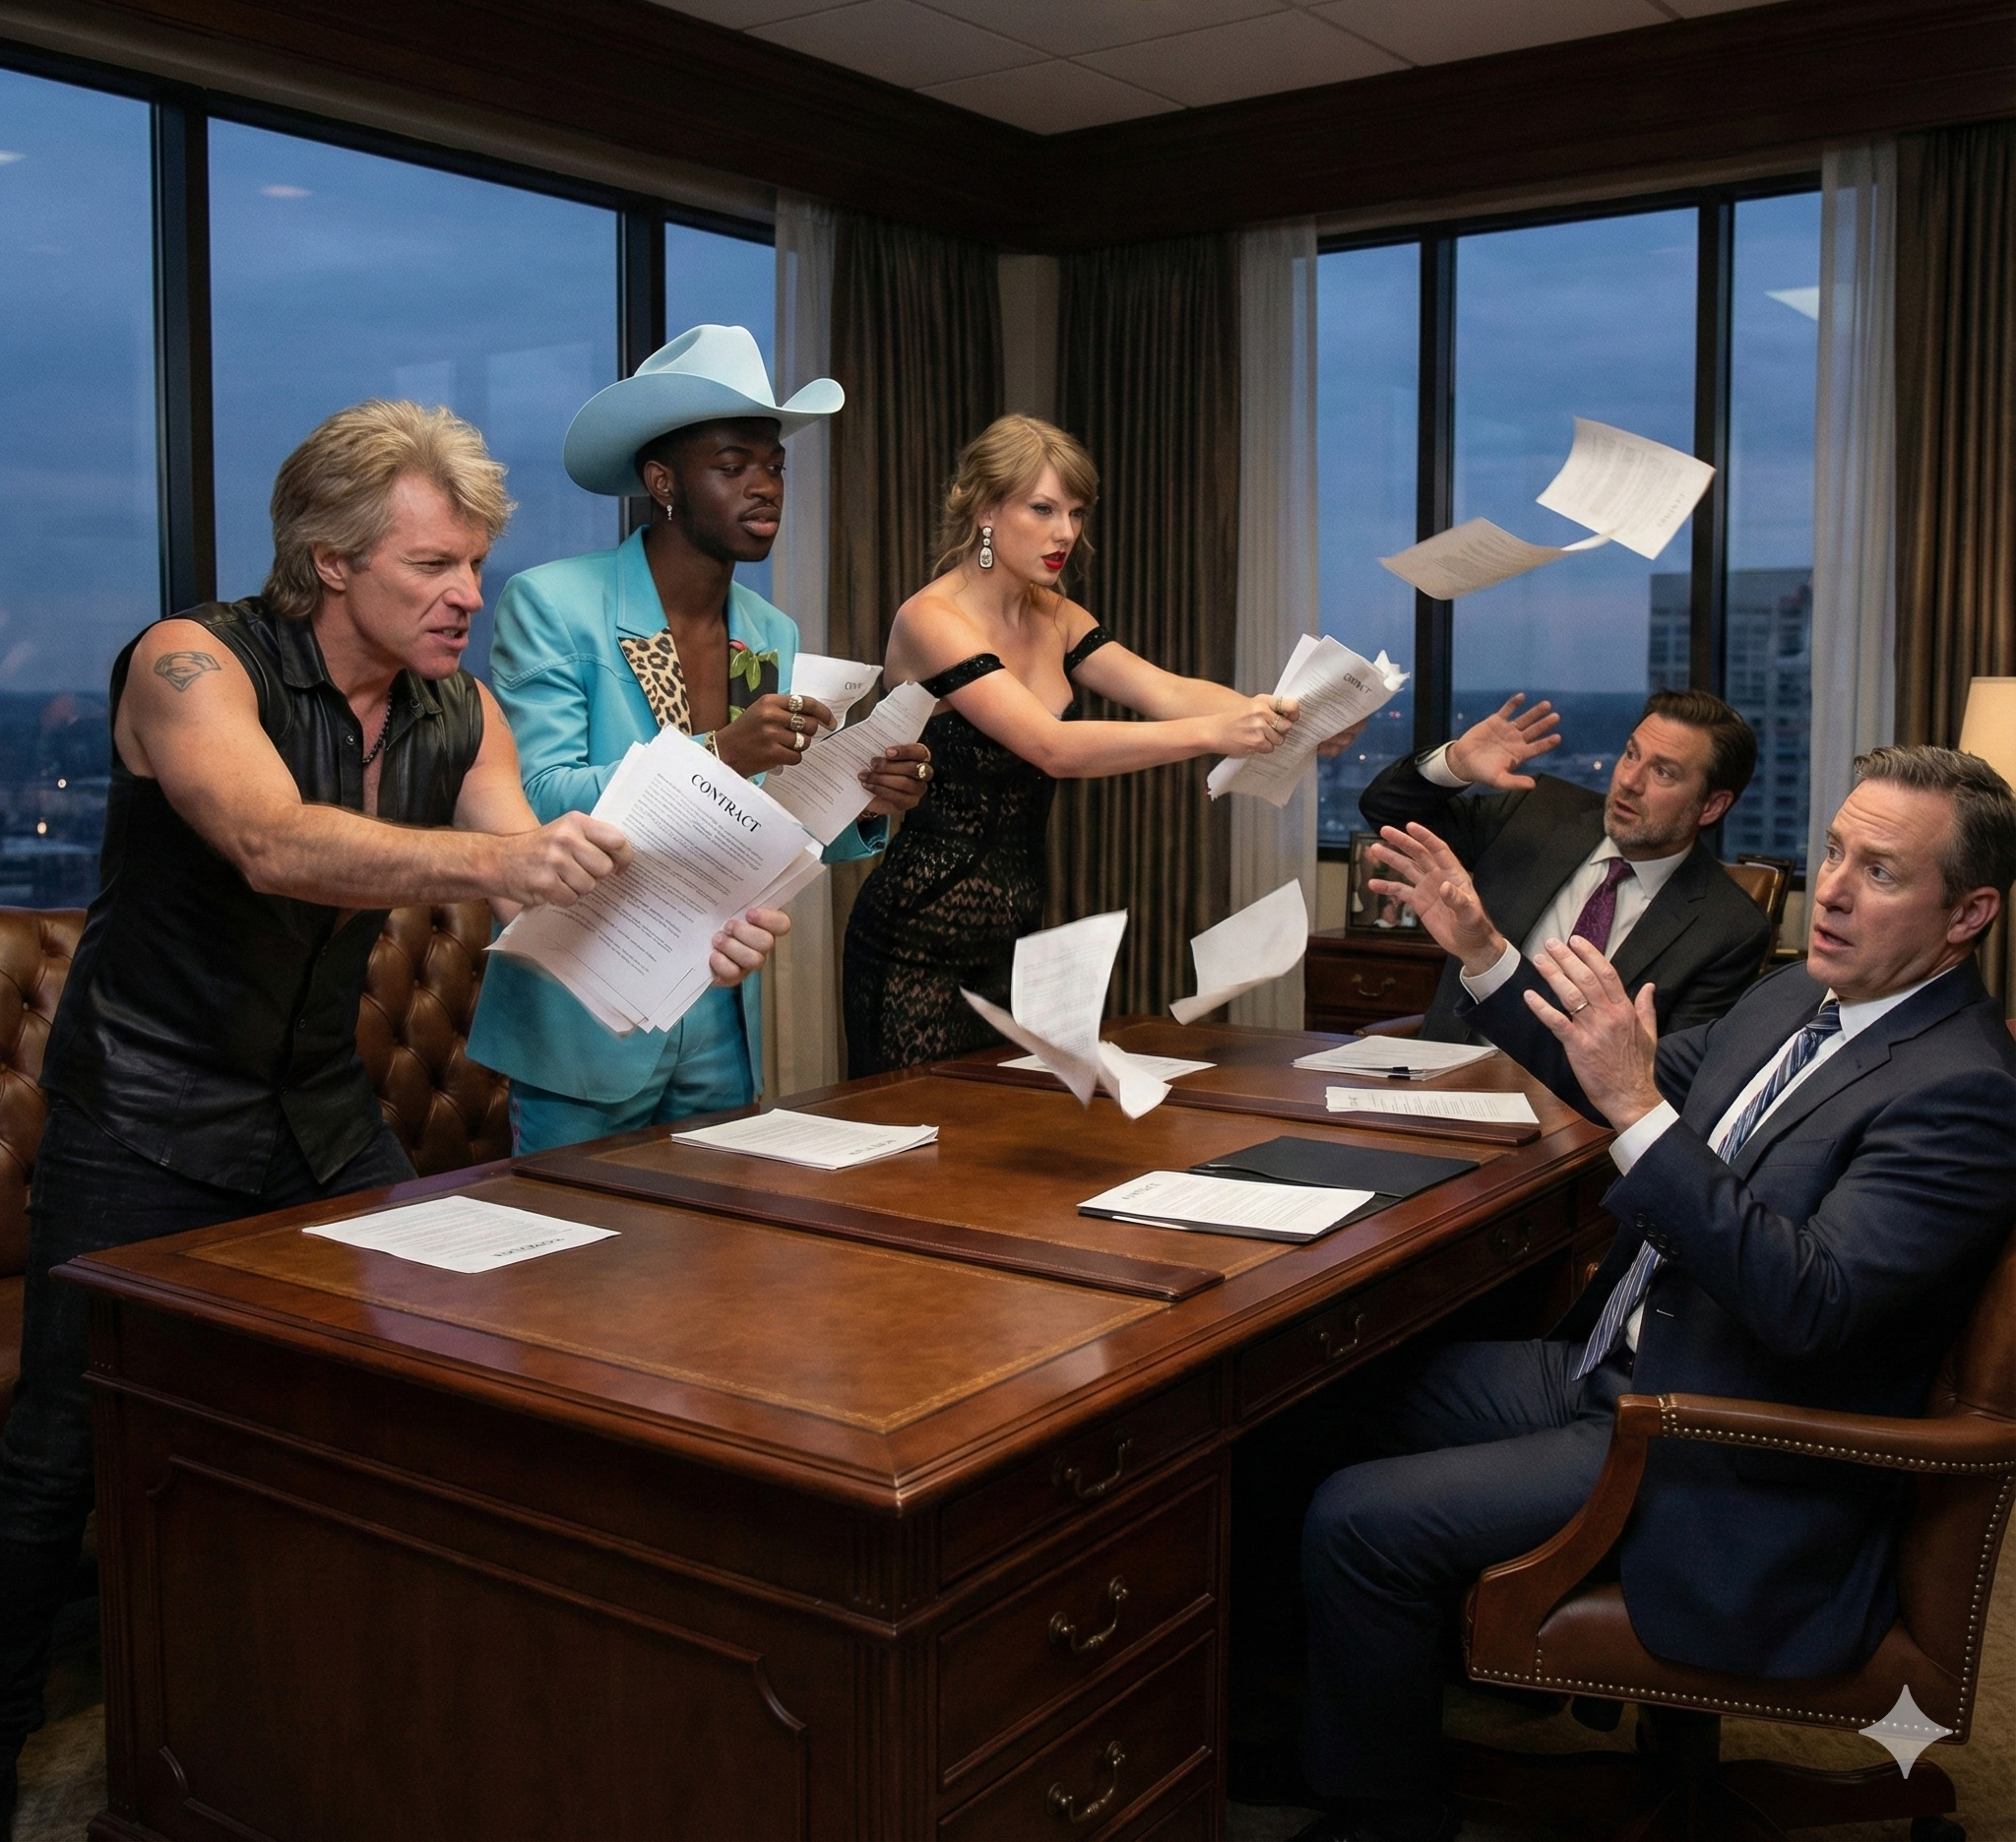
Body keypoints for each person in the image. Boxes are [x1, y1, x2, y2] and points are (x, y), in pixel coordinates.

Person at [0, 399, 789, 1825]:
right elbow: (269, 839)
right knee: (59, 1455)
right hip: (142, 1116)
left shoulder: (455, 707)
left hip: (321, 1115)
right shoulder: (191, 663)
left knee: (414, 1399)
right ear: (327, 562)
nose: (468, 597)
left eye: (475, 567)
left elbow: (532, 868)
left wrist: (692, 924)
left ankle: (343, 1713)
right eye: (433, 568)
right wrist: (531, 862)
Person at [1292, 745, 2016, 1842]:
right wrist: (1484, 952)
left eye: (1877, 871)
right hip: (1615, 1366)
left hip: (1715, 1436)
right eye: (1830, 851)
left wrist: (1638, 1111)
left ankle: (1382, 1812)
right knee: (1309, 1399)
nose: (1826, 888)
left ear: (1966, 913)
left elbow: (1808, 1301)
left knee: (1357, 1518)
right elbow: (1603, 1066)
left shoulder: (1960, 1088)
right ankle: (1282, 1716)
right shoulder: (1794, 998)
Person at [467, 325, 932, 1149]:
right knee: (577, 1263)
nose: (765, 487)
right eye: (732, 466)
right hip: (585, 1003)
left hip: (719, 1005)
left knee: (714, 1258)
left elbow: (755, 821)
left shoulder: (768, 630)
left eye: (775, 466)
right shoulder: (554, 604)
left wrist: (865, 800)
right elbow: (535, 803)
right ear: (662, 481)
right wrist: (723, 750)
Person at [842, 413, 1312, 1077]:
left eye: (1076, 512)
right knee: (911, 1157)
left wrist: (1294, 715)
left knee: (997, 1157)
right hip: (916, 937)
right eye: (1043, 508)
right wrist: (1216, 735)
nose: (1065, 532)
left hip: (1016, 939)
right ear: (985, 509)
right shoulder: (932, 620)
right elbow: (1052, 746)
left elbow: (1169, 692)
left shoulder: (1058, 616)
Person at [1358, 687, 1772, 1045]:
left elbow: (1671, 1079)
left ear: (1712, 805)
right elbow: (1386, 811)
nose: (1629, 780)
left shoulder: (1728, 930)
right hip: (1448, 1090)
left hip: (1579, 1124)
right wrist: (1456, 765)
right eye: (1631, 754)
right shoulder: (1540, 811)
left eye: (1663, 772)